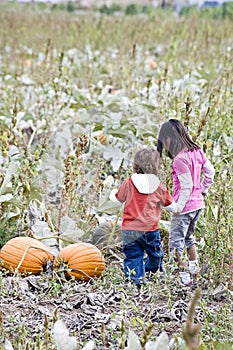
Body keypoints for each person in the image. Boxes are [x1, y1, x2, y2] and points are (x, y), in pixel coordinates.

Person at [110, 147, 178, 289]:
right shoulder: (158, 186)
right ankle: (150, 270)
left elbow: (118, 198)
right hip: (150, 230)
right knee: (156, 255)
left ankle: (135, 280)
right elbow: (170, 205)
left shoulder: (129, 183)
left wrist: (112, 193)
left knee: (133, 255)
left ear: (136, 165)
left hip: (129, 229)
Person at [157, 119, 215, 286]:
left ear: (169, 139)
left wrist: (178, 208)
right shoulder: (196, 151)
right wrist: (203, 190)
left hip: (184, 207)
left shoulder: (179, 159)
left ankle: (184, 278)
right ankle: (194, 269)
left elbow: (186, 185)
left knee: (176, 243)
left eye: (164, 142)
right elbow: (210, 172)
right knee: (189, 238)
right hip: (198, 205)